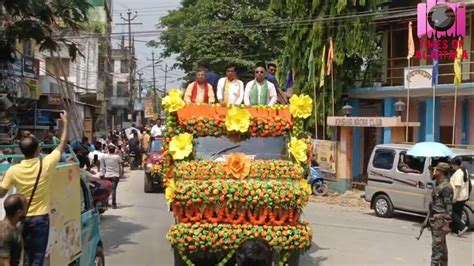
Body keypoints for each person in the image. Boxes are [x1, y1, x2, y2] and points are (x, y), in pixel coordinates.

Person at [0, 110, 68, 266]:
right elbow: (62, 144)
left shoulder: (13, 170)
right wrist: (66, 123)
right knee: (37, 259)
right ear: (38, 150)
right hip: (40, 219)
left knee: (20, 257)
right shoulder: (46, 164)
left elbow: (2, 192)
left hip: (19, 219)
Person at [429, 162, 453, 266]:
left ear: (441, 172)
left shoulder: (446, 187)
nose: (435, 171)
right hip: (435, 220)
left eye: (436, 170)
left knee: (436, 250)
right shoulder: (439, 183)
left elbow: (449, 208)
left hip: (440, 221)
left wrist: (446, 225)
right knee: (441, 248)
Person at [0, 194, 27, 266]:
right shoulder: (6, 232)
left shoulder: (14, 228)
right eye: (25, 206)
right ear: (19, 212)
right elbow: (3, 262)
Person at [450, 157, 469, 236]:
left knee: (452, 213)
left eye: (452, 165)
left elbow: (457, 186)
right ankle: (456, 230)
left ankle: (462, 227)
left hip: (458, 196)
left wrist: (455, 197)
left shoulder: (459, 173)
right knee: (458, 213)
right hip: (463, 196)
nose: (452, 167)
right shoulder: (465, 170)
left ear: (455, 165)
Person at [100, 145, 123, 209]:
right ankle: (114, 204)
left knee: (106, 189)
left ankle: (106, 203)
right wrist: (120, 173)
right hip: (115, 175)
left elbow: (102, 166)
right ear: (114, 150)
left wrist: (101, 174)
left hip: (107, 175)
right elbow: (121, 165)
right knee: (113, 189)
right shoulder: (117, 157)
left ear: (108, 150)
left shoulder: (104, 156)